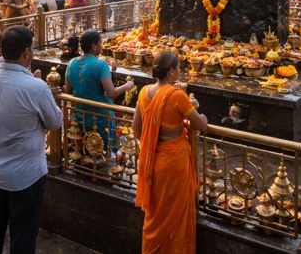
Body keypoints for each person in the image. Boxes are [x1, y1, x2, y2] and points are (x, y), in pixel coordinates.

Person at [0, 27, 63, 254]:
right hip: (26, 176)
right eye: (32, 48)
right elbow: (54, 122)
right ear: (26, 52)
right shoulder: (37, 87)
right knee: (23, 235)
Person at [134, 51, 208, 254]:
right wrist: (203, 117)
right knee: (176, 217)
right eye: (178, 68)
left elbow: (137, 131)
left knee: (156, 215)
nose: (180, 72)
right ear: (172, 71)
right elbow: (201, 125)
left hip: (152, 162)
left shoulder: (144, 92)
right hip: (174, 164)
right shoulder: (177, 96)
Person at [64, 30, 135, 157]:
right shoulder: (101, 64)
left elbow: (68, 91)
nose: (102, 46)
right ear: (94, 46)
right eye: (100, 43)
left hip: (80, 115)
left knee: (86, 150)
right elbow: (111, 93)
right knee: (104, 152)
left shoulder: (72, 63)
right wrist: (127, 86)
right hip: (100, 118)